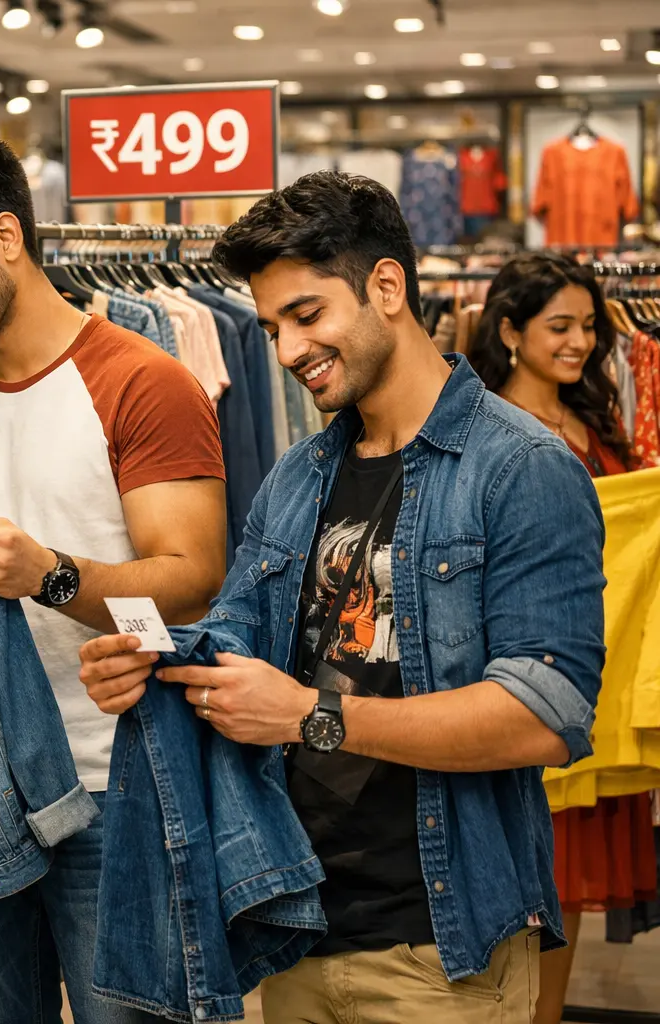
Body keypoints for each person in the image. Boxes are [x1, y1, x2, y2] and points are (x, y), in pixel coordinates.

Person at [78, 171, 607, 1023]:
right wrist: (161, 660)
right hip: (301, 924)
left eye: (307, 315)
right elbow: (241, 624)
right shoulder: (302, 474)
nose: (286, 352)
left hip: (441, 946)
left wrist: (307, 716)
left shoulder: (522, 469)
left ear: (386, 287)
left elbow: (545, 717)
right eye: (271, 327)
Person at [0, 134, 228, 1024]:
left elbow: (193, 581)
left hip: (113, 782)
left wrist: (50, 576)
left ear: (9, 238)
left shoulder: (145, 382)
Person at [469, 252, 640, 1024]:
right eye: (559, 326)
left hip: (611, 684)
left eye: (589, 329)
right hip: (532, 690)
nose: (579, 344)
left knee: (571, 900)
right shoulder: (490, 434)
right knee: (535, 889)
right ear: (509, 329)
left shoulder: (598, 421)